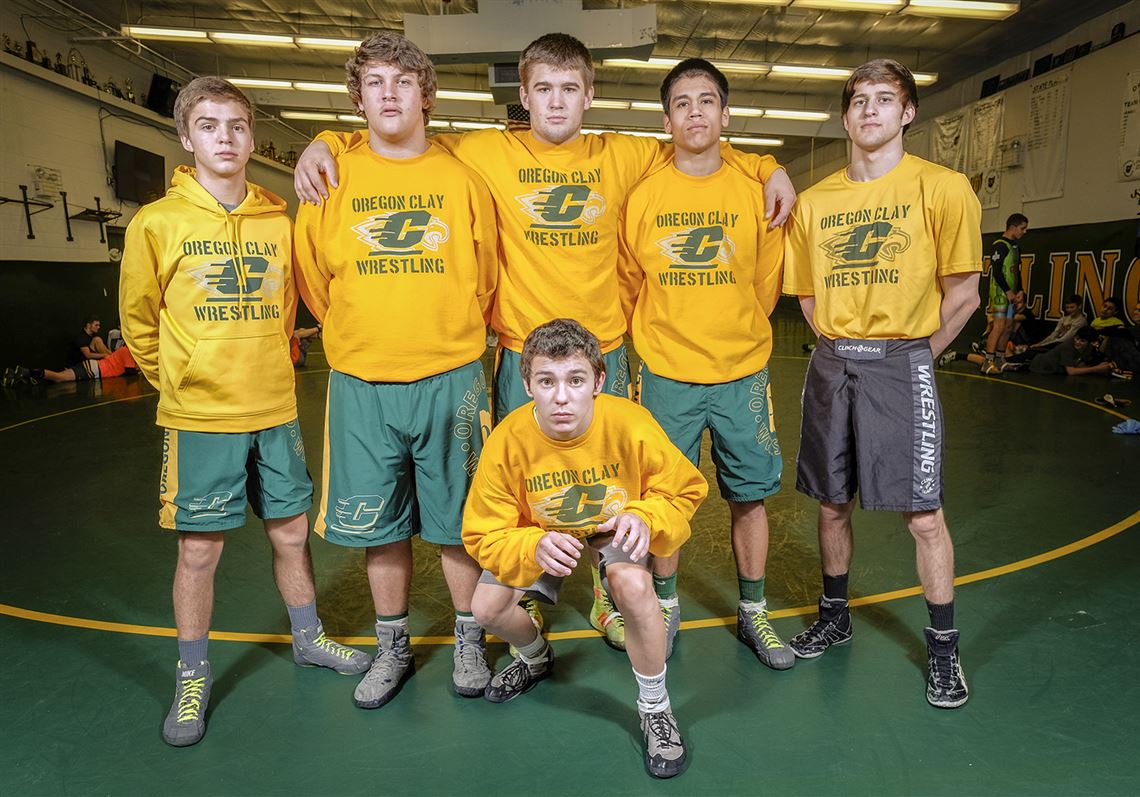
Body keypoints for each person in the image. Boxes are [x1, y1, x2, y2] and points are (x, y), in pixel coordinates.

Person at [294, 32, 795, 651]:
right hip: (520, 356)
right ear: (523, 97)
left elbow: (699, 146)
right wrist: (327, 141)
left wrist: (770, 167)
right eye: (542, 90)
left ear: (589, 94)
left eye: (568, 90)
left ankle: (612, 592)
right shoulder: (484, 154)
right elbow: (404, 140)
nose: (556, 103)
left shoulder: (626, 155)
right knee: (529, 481)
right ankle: (529, 592)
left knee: (612, 479)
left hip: (602, 350)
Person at [118, 77, 370, 748]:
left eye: (236, 125)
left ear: (252, 136)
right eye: (209, 125)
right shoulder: (156, 223)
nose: (225, 138)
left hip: (275, 407)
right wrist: (184, 377)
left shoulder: (276, 219)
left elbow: (289, 309)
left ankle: (309, 638)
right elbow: (139, 323)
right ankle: (193, 673)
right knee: (199, 550)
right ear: (185, 138)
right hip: (201, 415)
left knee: (291, 534)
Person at [292, 33, 499, 709]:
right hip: (362, 381)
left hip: (452, 375)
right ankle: (393, 647)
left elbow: (487, 278)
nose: (388, 93)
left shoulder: (462, 180)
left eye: (403, 81)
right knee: (380, 528)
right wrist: (367, 334)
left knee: (460, 524)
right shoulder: (330, 177)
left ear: (426, 97)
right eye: (375, 82)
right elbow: (315, 283)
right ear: (358, 97)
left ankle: (471, 641)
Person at [782, 59, 981, 709]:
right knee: (831, 501)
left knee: (923, 515)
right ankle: (834, 615)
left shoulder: (944, 188)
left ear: (908, 112)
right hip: (834, 361)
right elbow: (807, 296)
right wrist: (841, 343)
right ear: (845, 115)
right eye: (858, 100)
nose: (869, 110)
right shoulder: (814, 203)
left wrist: (916, 357)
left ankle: (944, 648)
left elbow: (966, 294)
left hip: (903, 361)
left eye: (883, 99)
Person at [463, 319, 708, 779]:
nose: (561, 397)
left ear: (598, 381)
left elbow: (684, 490)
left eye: (575, 380)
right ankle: (535, 657)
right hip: (542, 534)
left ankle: (655, 706)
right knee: (486, 607)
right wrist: (531, 544)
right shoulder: (507, 441)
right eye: (546, 381)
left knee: (635, 587)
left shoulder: (631, 423)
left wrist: (645, 515)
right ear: (526, 383)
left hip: (609, 525)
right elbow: (482, 534)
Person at [617, 58, 789, 666]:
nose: (695, 111)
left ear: (725, 114)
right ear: (667, 118)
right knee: (665, 499)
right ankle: (664, 603)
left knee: (751, 496)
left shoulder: (755, 190)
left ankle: (754, 612)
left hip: (742, 370)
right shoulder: (642, 195)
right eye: (683, 102)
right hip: (665, 374)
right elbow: (629, 281)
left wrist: (733, 329)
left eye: (707, 100)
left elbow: (765, 283)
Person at [981, 214, 1028, 374]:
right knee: (999, 326)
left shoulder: (1015, 246)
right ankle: (987, 362)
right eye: (1022, 228)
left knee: (1008, 326)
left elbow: (1016, 271)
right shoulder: (999, 245)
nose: (1024, 231)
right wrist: (1007, 291)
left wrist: (1020, 290)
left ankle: (1000, 359)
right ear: (1013, 227)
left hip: (1012, 294)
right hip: (1001, 293)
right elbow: (997, 271)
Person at [10, 345, 138, 383]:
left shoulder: (125, 350)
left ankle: (27, 374)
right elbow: (130, 371)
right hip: (94, 369)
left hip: (93, 367)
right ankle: (25, 372)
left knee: (59, 377)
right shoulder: (126, 351)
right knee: (59, 378)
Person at [1028, 325, 1112, 375]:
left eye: (1082, 341)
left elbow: (1083, 364)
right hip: (1039, 366)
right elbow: (1071, 371)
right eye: (1077, 338)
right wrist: (1096, 368)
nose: (1078, 342)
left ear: (1089, 343)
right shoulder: (1067, 347)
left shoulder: (1089, 348)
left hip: (1055, 369)